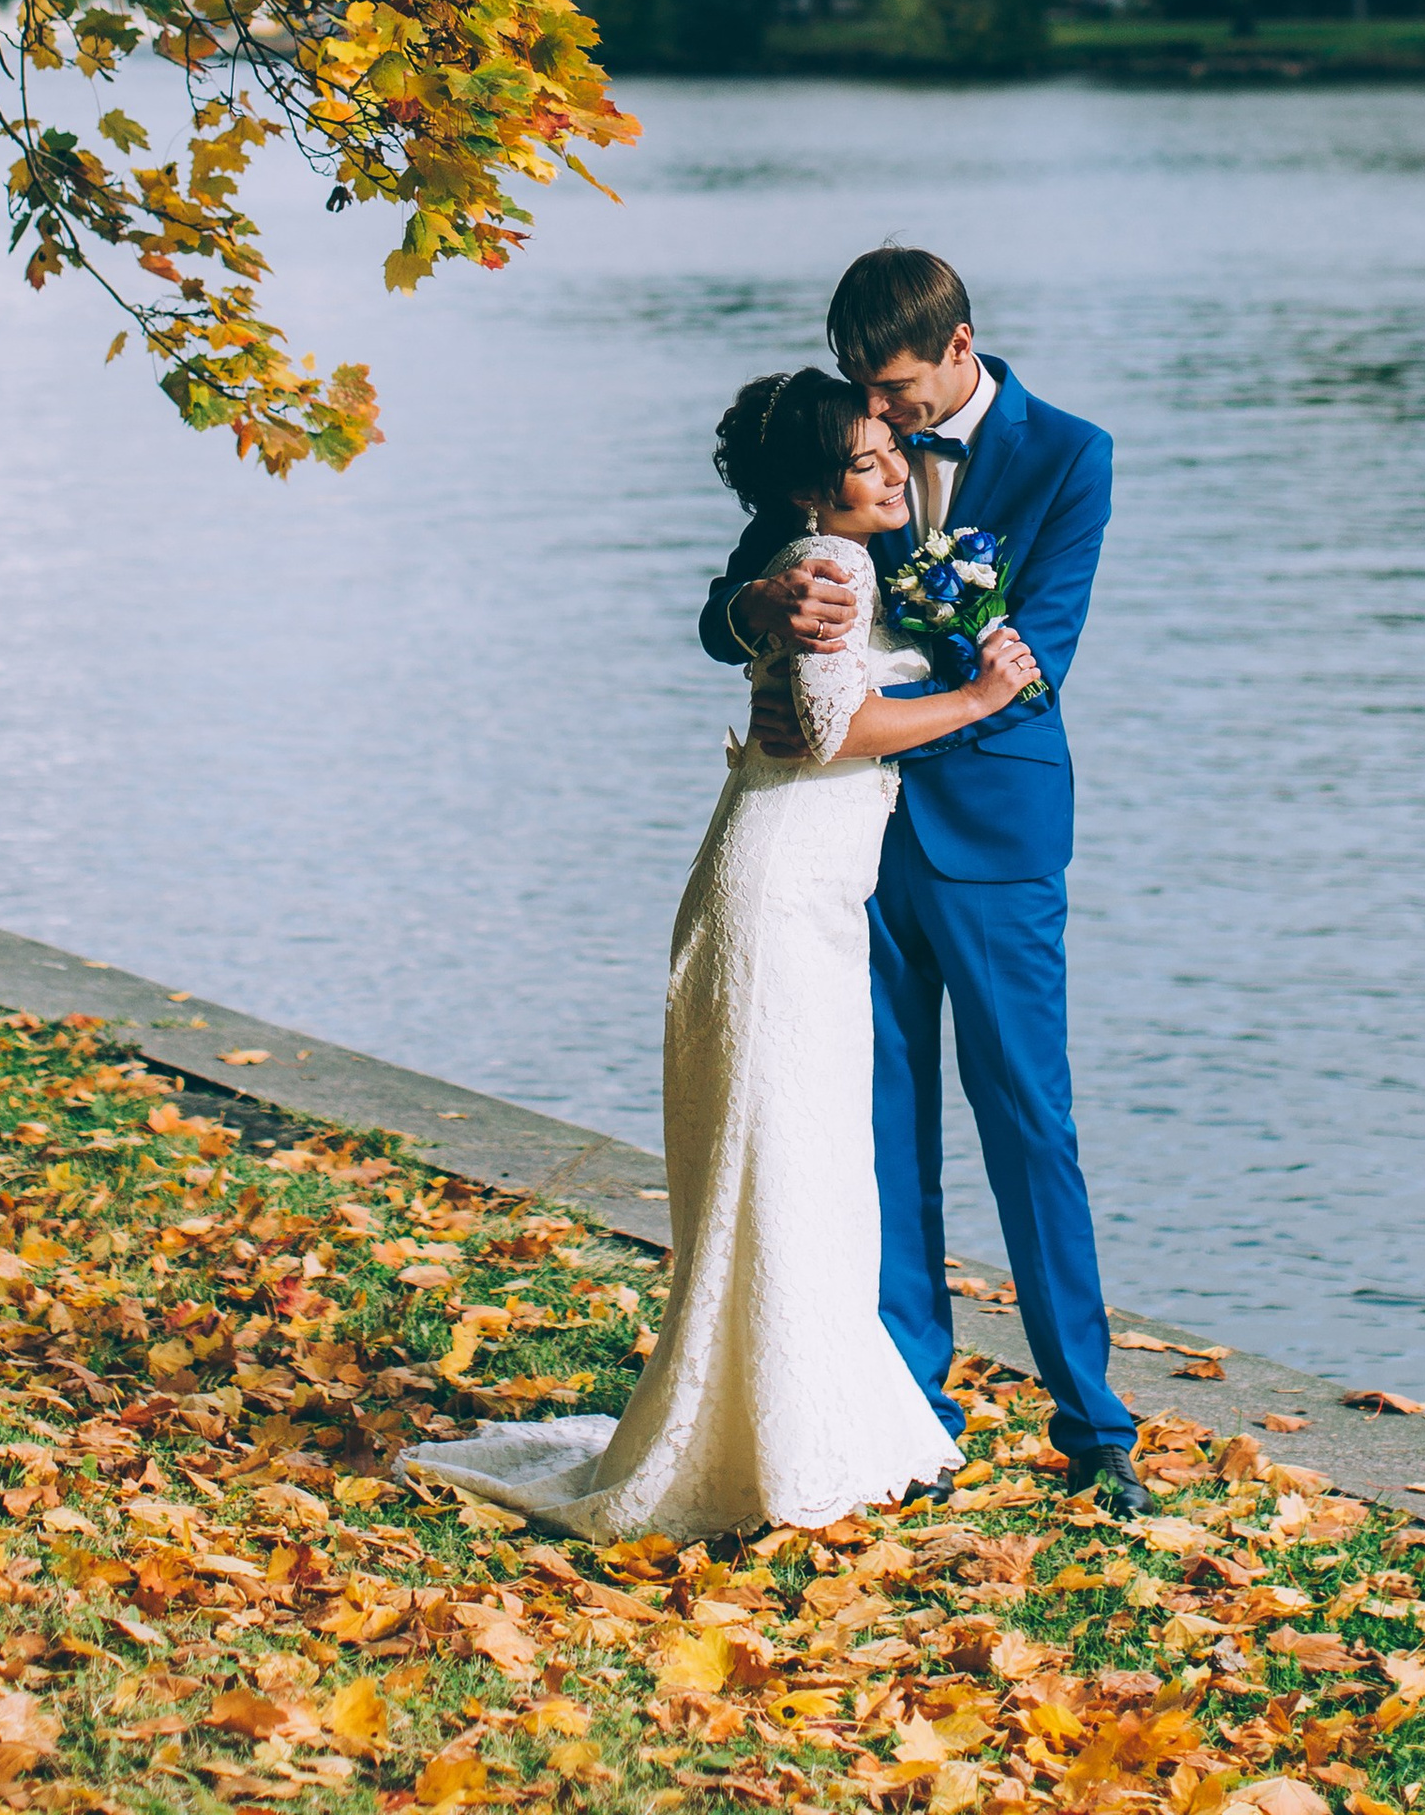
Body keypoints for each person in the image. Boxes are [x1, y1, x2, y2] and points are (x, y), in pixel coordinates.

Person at [406, 366, 1041, 1538]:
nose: (894, 465)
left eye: (891, 449)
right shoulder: (829, 561)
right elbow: (825, 728)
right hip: (780, 889)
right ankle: (781, 1440)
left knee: (798, 1161)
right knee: (785, 1154)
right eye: (868, 458)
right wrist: (981, 698)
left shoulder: (848, 533)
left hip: (798, 883)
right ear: (812, 489)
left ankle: (794, 1422)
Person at [699, 246, 1150, 1516]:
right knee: (880, 1124)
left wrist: (875, 659)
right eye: (860, 390)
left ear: (960, 349)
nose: (878, 415)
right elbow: (725, 597)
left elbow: (1036, 655)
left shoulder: (1071, 455)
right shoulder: (843, 439)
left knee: (1028, 1119)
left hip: (993, 830)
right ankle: (909, 1410)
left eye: (894, 389)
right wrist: (770, 610)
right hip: (847, 835)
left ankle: (1092, 1423)